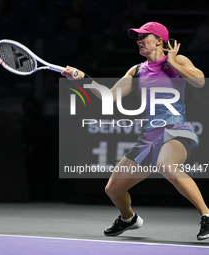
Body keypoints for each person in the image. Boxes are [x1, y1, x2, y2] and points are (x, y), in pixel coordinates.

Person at [61, 22, 209, 241]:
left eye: (144, 36)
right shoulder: (137, 70)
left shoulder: (178, 60)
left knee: (166, 165)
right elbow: (109, 97)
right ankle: (128, 218)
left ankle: (206, 215)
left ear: (159, 40)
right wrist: (84, 80)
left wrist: (170, 61)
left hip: (177, 129)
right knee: (113, 189)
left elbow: (199, 82)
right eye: (137, 37)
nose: (139, 40)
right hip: (149, 137)